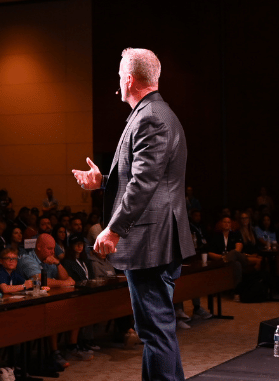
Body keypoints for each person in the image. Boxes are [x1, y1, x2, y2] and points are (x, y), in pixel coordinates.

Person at [72, 48, 195, 381]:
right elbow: (148, 177)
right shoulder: (156, 113)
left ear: (129, 79)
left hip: (150, 242)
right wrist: (104, 182)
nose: (117, 83)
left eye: (118, 76)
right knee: (159, 330)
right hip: (158, 238)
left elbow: (144, 183)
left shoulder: (151, 116)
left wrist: (113, 229)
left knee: (155, 332)